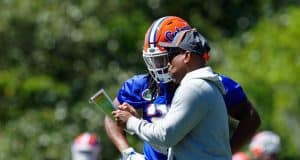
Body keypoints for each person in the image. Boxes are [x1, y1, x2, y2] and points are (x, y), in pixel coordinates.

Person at [104, 16, 261, 160]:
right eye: (155, 61)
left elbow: (251, 117)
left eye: (166, 58)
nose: (163, 66)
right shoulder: (142, 85)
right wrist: (128, 152)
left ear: (186, 55)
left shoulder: (199, 87)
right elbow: (171, 144)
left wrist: (226, 151)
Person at [113, 29, 232, 159]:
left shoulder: (193, 88)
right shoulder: (203, 85)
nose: (168, 64)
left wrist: (131, 122)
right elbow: (173, 145)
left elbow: (165, 137)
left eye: (171, 56)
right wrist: (138, 122)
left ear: (187, 56)